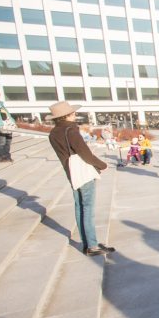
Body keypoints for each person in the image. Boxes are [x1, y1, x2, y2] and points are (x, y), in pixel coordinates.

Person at [47, 101, 115, 256]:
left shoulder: (53, 133)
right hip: (81, 171)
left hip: (70, 171)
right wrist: (102, 165)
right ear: (67, 115)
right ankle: (92, 245)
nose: (75, 115)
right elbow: (84, 153)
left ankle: (88, 243)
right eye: (73, 113)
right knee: (88, 208)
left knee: (80, 207)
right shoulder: (71, 130)